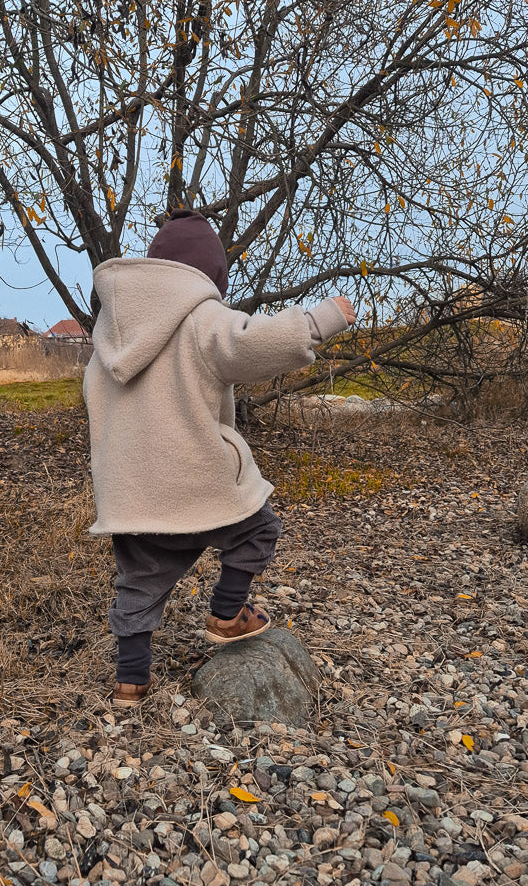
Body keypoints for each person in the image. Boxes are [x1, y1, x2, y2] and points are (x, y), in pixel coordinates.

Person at [82, 208, 356, 706]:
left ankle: (130, 682)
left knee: (139, 584)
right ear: (209, 274)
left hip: (132, 492)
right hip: (195, 478)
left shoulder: (110, 336)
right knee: (257, 528)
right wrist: (321, 320)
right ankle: (228, 612)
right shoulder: (200, 318)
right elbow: (253, 343)